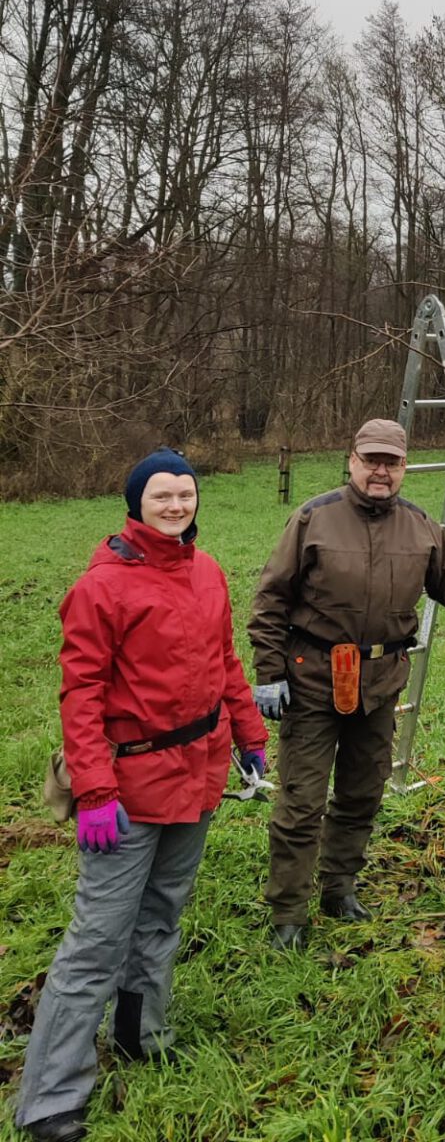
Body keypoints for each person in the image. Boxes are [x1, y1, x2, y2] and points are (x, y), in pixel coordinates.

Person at [15, 449, 267, 1142]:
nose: (177, 505)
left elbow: (226, 663)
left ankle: (141, 1034)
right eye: (162, 495)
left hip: (199, 773)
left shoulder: (208, 570)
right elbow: (81, 694)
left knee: (161, 916)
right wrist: (94, 791)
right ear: (136, 501)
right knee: (97, 939)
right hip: (127, 787)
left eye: (185, 494)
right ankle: (50, 1098)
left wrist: (248, 735)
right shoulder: (102, 588)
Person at [249, 417, 445, 949]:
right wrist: (269, 673)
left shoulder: (422, 527)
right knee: (301, 801)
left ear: (404, 467)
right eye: (371, 460)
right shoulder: (313, 518)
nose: (380, 471)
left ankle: (340, 887)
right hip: (312, 680)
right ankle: (289, 911)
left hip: (379, 684)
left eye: (392, 462)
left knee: (361, 793)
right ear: (353, 461)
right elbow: (270, 599)